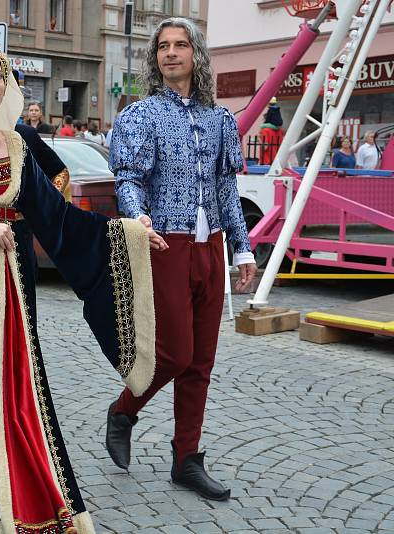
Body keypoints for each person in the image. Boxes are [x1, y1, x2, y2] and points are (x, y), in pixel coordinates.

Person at [0, 42, 156, 534]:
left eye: (1, 76)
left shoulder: (17, 146)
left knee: (21, 396)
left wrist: (129, 231)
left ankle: (27, 499)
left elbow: (57, 220)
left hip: (16, 298)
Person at [107, 17, 257, 502]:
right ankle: (124, 412)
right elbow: (127, 179)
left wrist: (242, 246)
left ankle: (186, 458)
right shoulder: (141, 115)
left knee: (202, 361)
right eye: (163, 47)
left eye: (180, 45)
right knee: (176, 352)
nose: (170, 53)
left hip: (210, 246)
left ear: (197, 55)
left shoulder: (220, 120)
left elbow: (227, 188)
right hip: (164, 244)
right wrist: (139, 218)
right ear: (156, 58)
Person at [258, 101, 285, 165]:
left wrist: (259, 138)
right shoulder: (280, 130)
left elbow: (265, 147)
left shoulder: (265, 130)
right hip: (277, 161)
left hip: (266, 161)